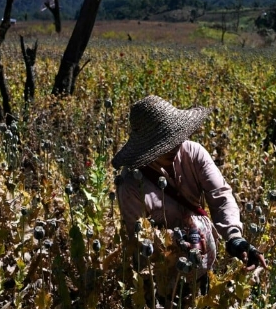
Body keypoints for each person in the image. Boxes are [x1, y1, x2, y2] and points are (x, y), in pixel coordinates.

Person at [112, 95, 266, 278]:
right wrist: (175, 241)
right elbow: (137, 237)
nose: (174, 147)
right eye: (163, 144)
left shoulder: (193, 153)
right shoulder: (130, 184)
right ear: (146, 147)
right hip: (160, 273)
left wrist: (235, 238)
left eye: (175, 138)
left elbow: (221, 197)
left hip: (204, 260)